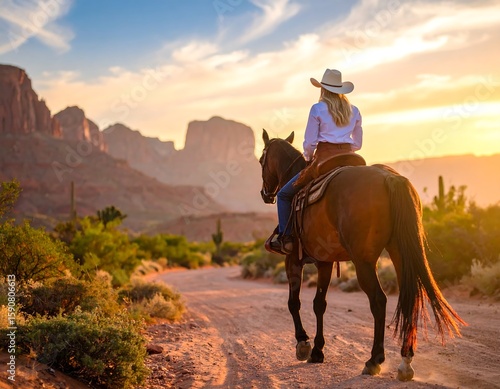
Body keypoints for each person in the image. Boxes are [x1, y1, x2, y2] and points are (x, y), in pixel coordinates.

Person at [270, 68, 363, 255]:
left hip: (324, 159)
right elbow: (358, 144)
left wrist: (308, 158)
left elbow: (310, 142)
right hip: (351, 159)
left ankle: (286, 238)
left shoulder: (317, 109)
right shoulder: (354, 110)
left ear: (323, 89)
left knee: (284, 195)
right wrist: (345, 150)